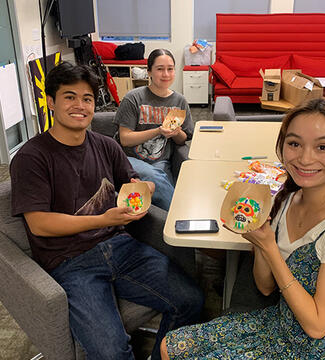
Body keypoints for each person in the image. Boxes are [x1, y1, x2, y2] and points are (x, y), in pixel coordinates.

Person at [10, 61, 203, 360]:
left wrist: (144, 190)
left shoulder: (105, 146)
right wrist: (103, 218)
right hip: (70, 262)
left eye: (87, 98)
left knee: (191, 300)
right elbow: (39, 224)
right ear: (51, 101)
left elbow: (131, 184)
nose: (80, 105)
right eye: (69, 97)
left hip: (120, 245)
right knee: (110, 351)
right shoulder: (31, 157)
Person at [160, 98, 325, 359]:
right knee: (169, 346)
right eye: (294, 144)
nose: (305, 158)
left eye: (323, 147)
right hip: (282, 321)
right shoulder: (287, 199)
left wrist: (268, 246)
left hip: (323, 345)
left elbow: (318, 326)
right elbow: (265, 286)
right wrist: (258, 238)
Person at [114, 48, 194, 211]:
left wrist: (176, 132)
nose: (166, 74)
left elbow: (183, 139)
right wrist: (159, 131)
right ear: (149, 71)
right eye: (160, 69)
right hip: (128, 159)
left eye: (170, 69)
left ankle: (166, 219)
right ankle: (179, 214)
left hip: (160, 161)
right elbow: (125, 139)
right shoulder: (134, 98)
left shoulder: (179, 101)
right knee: (155, 177)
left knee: (160, 180)